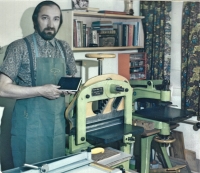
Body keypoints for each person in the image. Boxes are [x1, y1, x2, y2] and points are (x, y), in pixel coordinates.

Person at [0, 1, 77, 167]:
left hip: (56, 124)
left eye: (56, 19)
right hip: (29, 126)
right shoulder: (19, 47)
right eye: (45, 18)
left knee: (55, 167)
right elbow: (2, 88)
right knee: (29, 168)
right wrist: (41, 90)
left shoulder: (64, 47)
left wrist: (70, 88)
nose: (50, 24)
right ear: (35, 20)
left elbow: (72, 77)